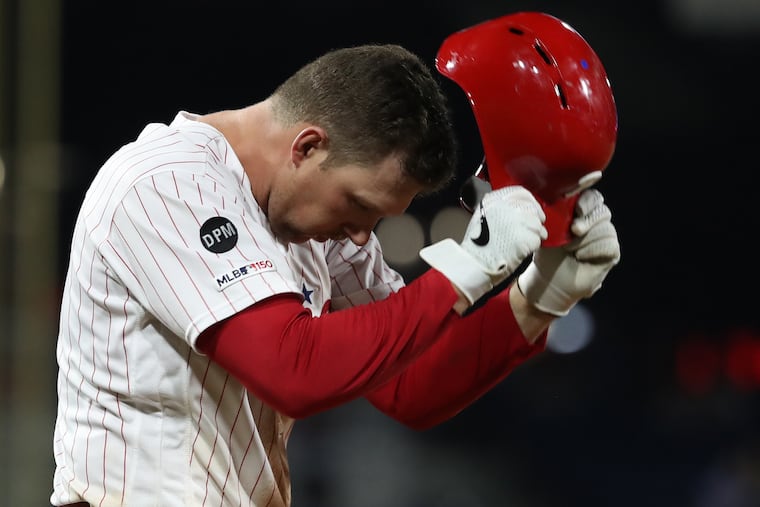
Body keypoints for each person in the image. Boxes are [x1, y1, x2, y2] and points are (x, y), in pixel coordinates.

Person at [51, 15, 621, 507]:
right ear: (307, 146)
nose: (359, 233)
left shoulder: (318, 228)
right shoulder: (169, 181)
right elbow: (293, 371)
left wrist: (541, 295)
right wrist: (469, 264)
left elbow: (410, 384)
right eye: (357, 204)